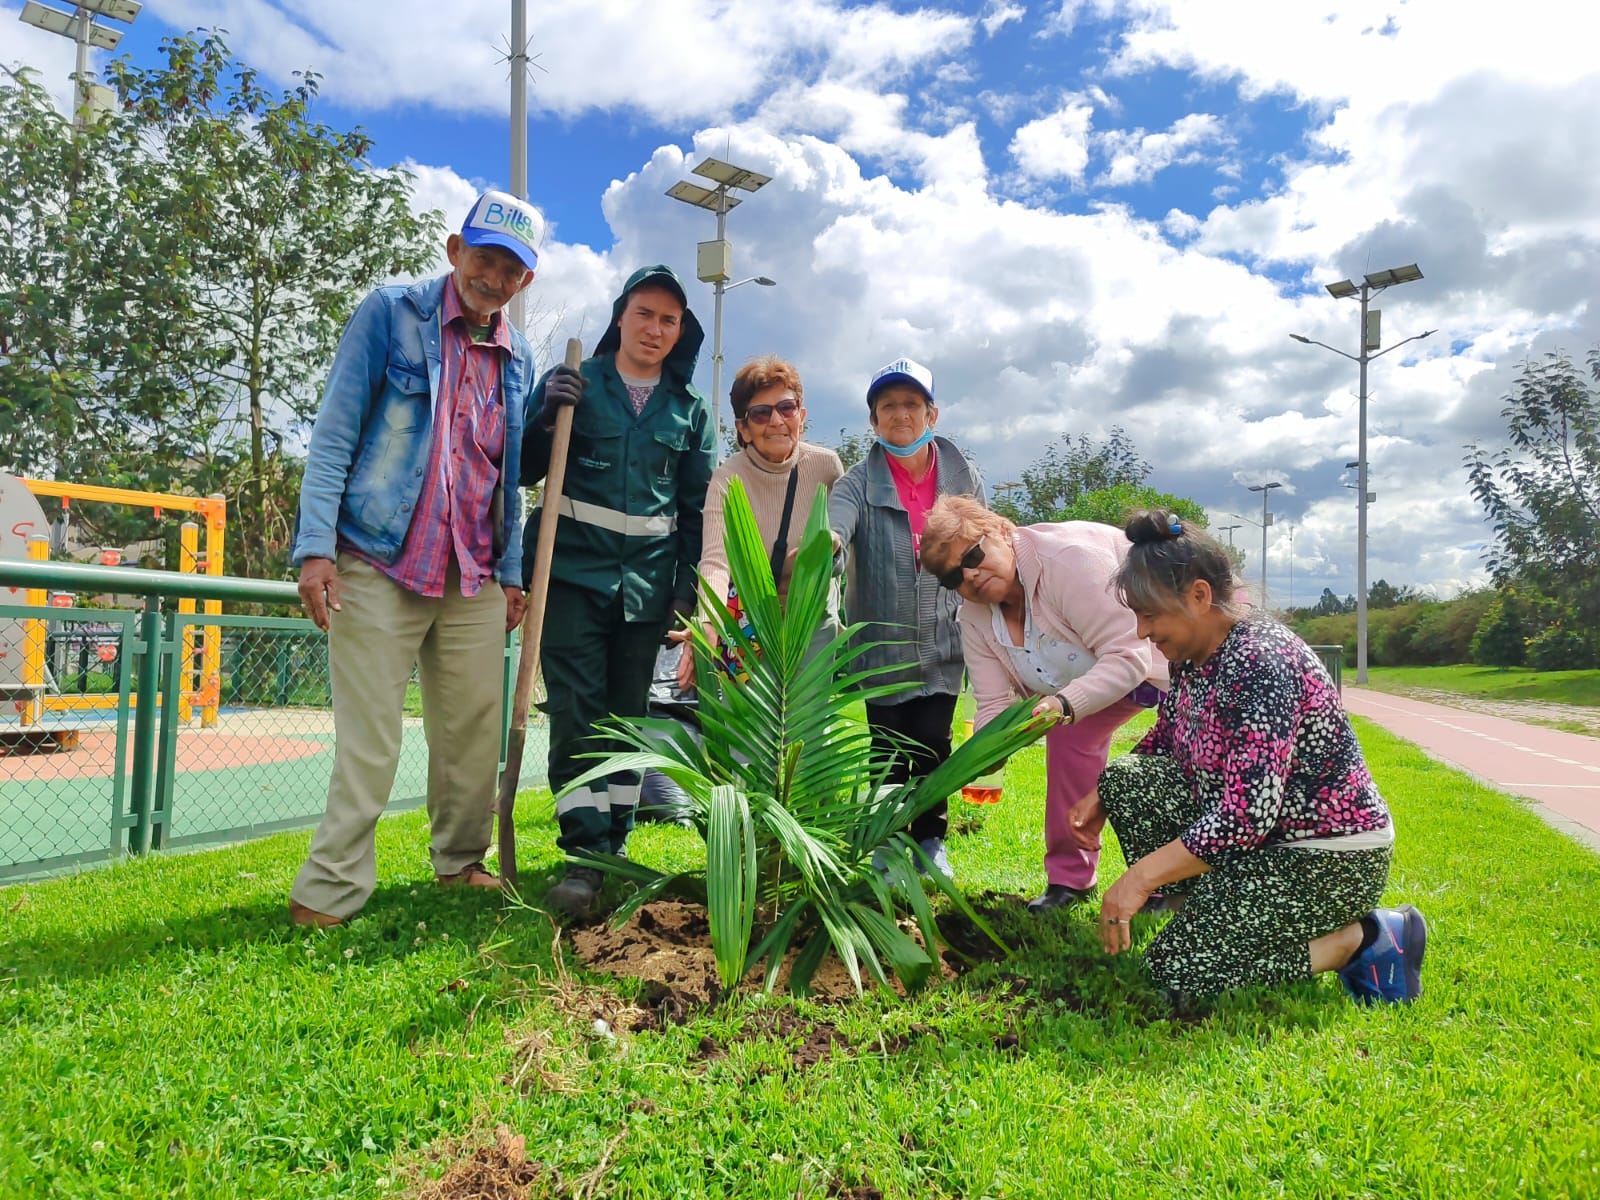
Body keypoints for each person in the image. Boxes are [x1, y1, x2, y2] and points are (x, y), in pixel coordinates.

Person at [288, 189, 543, 927]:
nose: (494, 277)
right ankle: (331, 889)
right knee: (371, 740)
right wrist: (315, 550)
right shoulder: (390, 314)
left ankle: (460, 864)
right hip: (377, 559)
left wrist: (514, 574)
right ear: (455, 250)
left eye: (512, 269)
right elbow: (335, 432)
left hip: (474, 574)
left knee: (471, 733)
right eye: (485, 258)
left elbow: (509, 475)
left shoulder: (516, 356)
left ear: (526, 281)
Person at [1077, 511, 1425, 1005]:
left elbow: (1248, 814)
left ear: (1199, 596)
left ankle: (1365, 939)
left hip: (1324, 858)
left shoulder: (1262, 662)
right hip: (1261, 846)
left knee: (1176, 973)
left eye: (1149, 614)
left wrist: (1140, 878)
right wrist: (1100, 794)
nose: (1140, 631)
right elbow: (1169, 732)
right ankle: (1215, 919)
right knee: (1129, 778)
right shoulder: (1193, 657)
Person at [523, 264, 715, 919]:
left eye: (669, 319)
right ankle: (583, 858)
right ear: (621, 316)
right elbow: (524, 468)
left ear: (679, 329)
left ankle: (613, 845)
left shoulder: (690, 411)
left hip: (647, 593)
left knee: (627, 724)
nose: (656, 328)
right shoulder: (578, 385)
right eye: (645, 313)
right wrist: (547, 417)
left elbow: (695, 511)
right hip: (572, 579)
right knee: (578, 718)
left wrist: (686, 594)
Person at [919, 495, 1166, 911]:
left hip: (1166, 658)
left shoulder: (1069, 563)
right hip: (1084, 684)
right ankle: (1070, 881)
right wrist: (986, 752)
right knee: (1070, 745)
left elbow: (1130, 655)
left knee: (1166, 765)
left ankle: (1165, 883)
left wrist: (1065, 704)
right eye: (952, 578)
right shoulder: (974, 617)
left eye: (974, 555)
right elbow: (994, 703)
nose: (970, 576)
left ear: (1001, 530)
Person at [827, 358, 983, 878]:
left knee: (934, 742)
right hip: (883, 648)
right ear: (873, 421)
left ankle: (932, 841)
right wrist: (827, 542)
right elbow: (837, 523)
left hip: (947, 639)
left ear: (931, 414)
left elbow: (988, 536)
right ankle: (890, 843)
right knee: (888, 747)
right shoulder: (857, 482)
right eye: (887, 406)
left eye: (911, 404)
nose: (900, 414)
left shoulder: (961, 478)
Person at [675, 354, 844, 690]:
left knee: (806, 727)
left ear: (802, 416)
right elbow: (716, 561)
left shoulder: (827, 467)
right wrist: (709, 621)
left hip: (811, 617)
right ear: (743, 428)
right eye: (761, 413)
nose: (777, 421)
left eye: (787, 408)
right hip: (749, 621)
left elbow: (844, 542)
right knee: (750, 731)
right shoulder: (727, 480)